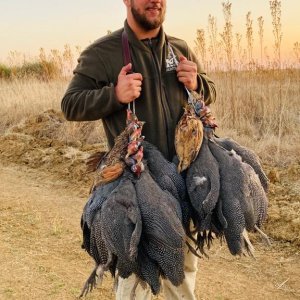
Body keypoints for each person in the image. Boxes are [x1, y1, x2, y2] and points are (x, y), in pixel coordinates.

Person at [61, 0, 216, 299]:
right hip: (133, 189)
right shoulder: (102, 53)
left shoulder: (179, 48)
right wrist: (114, 95)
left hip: (182, 187)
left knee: (181, 277)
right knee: (134, 281)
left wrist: (198, 82)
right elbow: (70, 104)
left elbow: (209, 91)